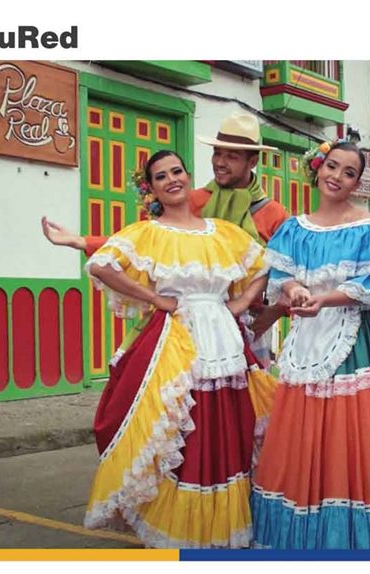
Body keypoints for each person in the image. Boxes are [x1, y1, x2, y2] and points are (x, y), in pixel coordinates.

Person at [82, 149, 276, 548]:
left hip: (224, 339)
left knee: (227, 428)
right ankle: (181, 527)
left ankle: (222, 525)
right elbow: (101, 265)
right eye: (161, 176)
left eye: (177, 171)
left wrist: (241, 302)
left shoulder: (222, 231)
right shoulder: (149, 232)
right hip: (175, 343)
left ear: (188, 177)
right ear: (151, 189)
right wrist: (156, 299)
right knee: (183, 432)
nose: (172, 179)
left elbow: (263, 265)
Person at [250, 141, 370, 549]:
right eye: (332, 166)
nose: (337, 177)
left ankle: (355, 537)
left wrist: (324, 299)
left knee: (354, 435)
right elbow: (282, 276)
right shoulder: (294, 228)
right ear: (318, 167)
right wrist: (294, 289)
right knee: (305, 433)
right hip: (307, 341)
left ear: (357, 183)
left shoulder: (367, 227)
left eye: (348, 173)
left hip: (358, 343)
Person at [41, 110, 290, 361]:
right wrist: (82, 241)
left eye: (232, 156)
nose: (220, 162)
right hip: (185, 319)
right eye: (217, 153)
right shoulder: (194, 200)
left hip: (250, 321)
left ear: (252, 161)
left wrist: (272, 312)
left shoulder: (274, 214)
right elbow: (150, 242)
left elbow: (287, 269)